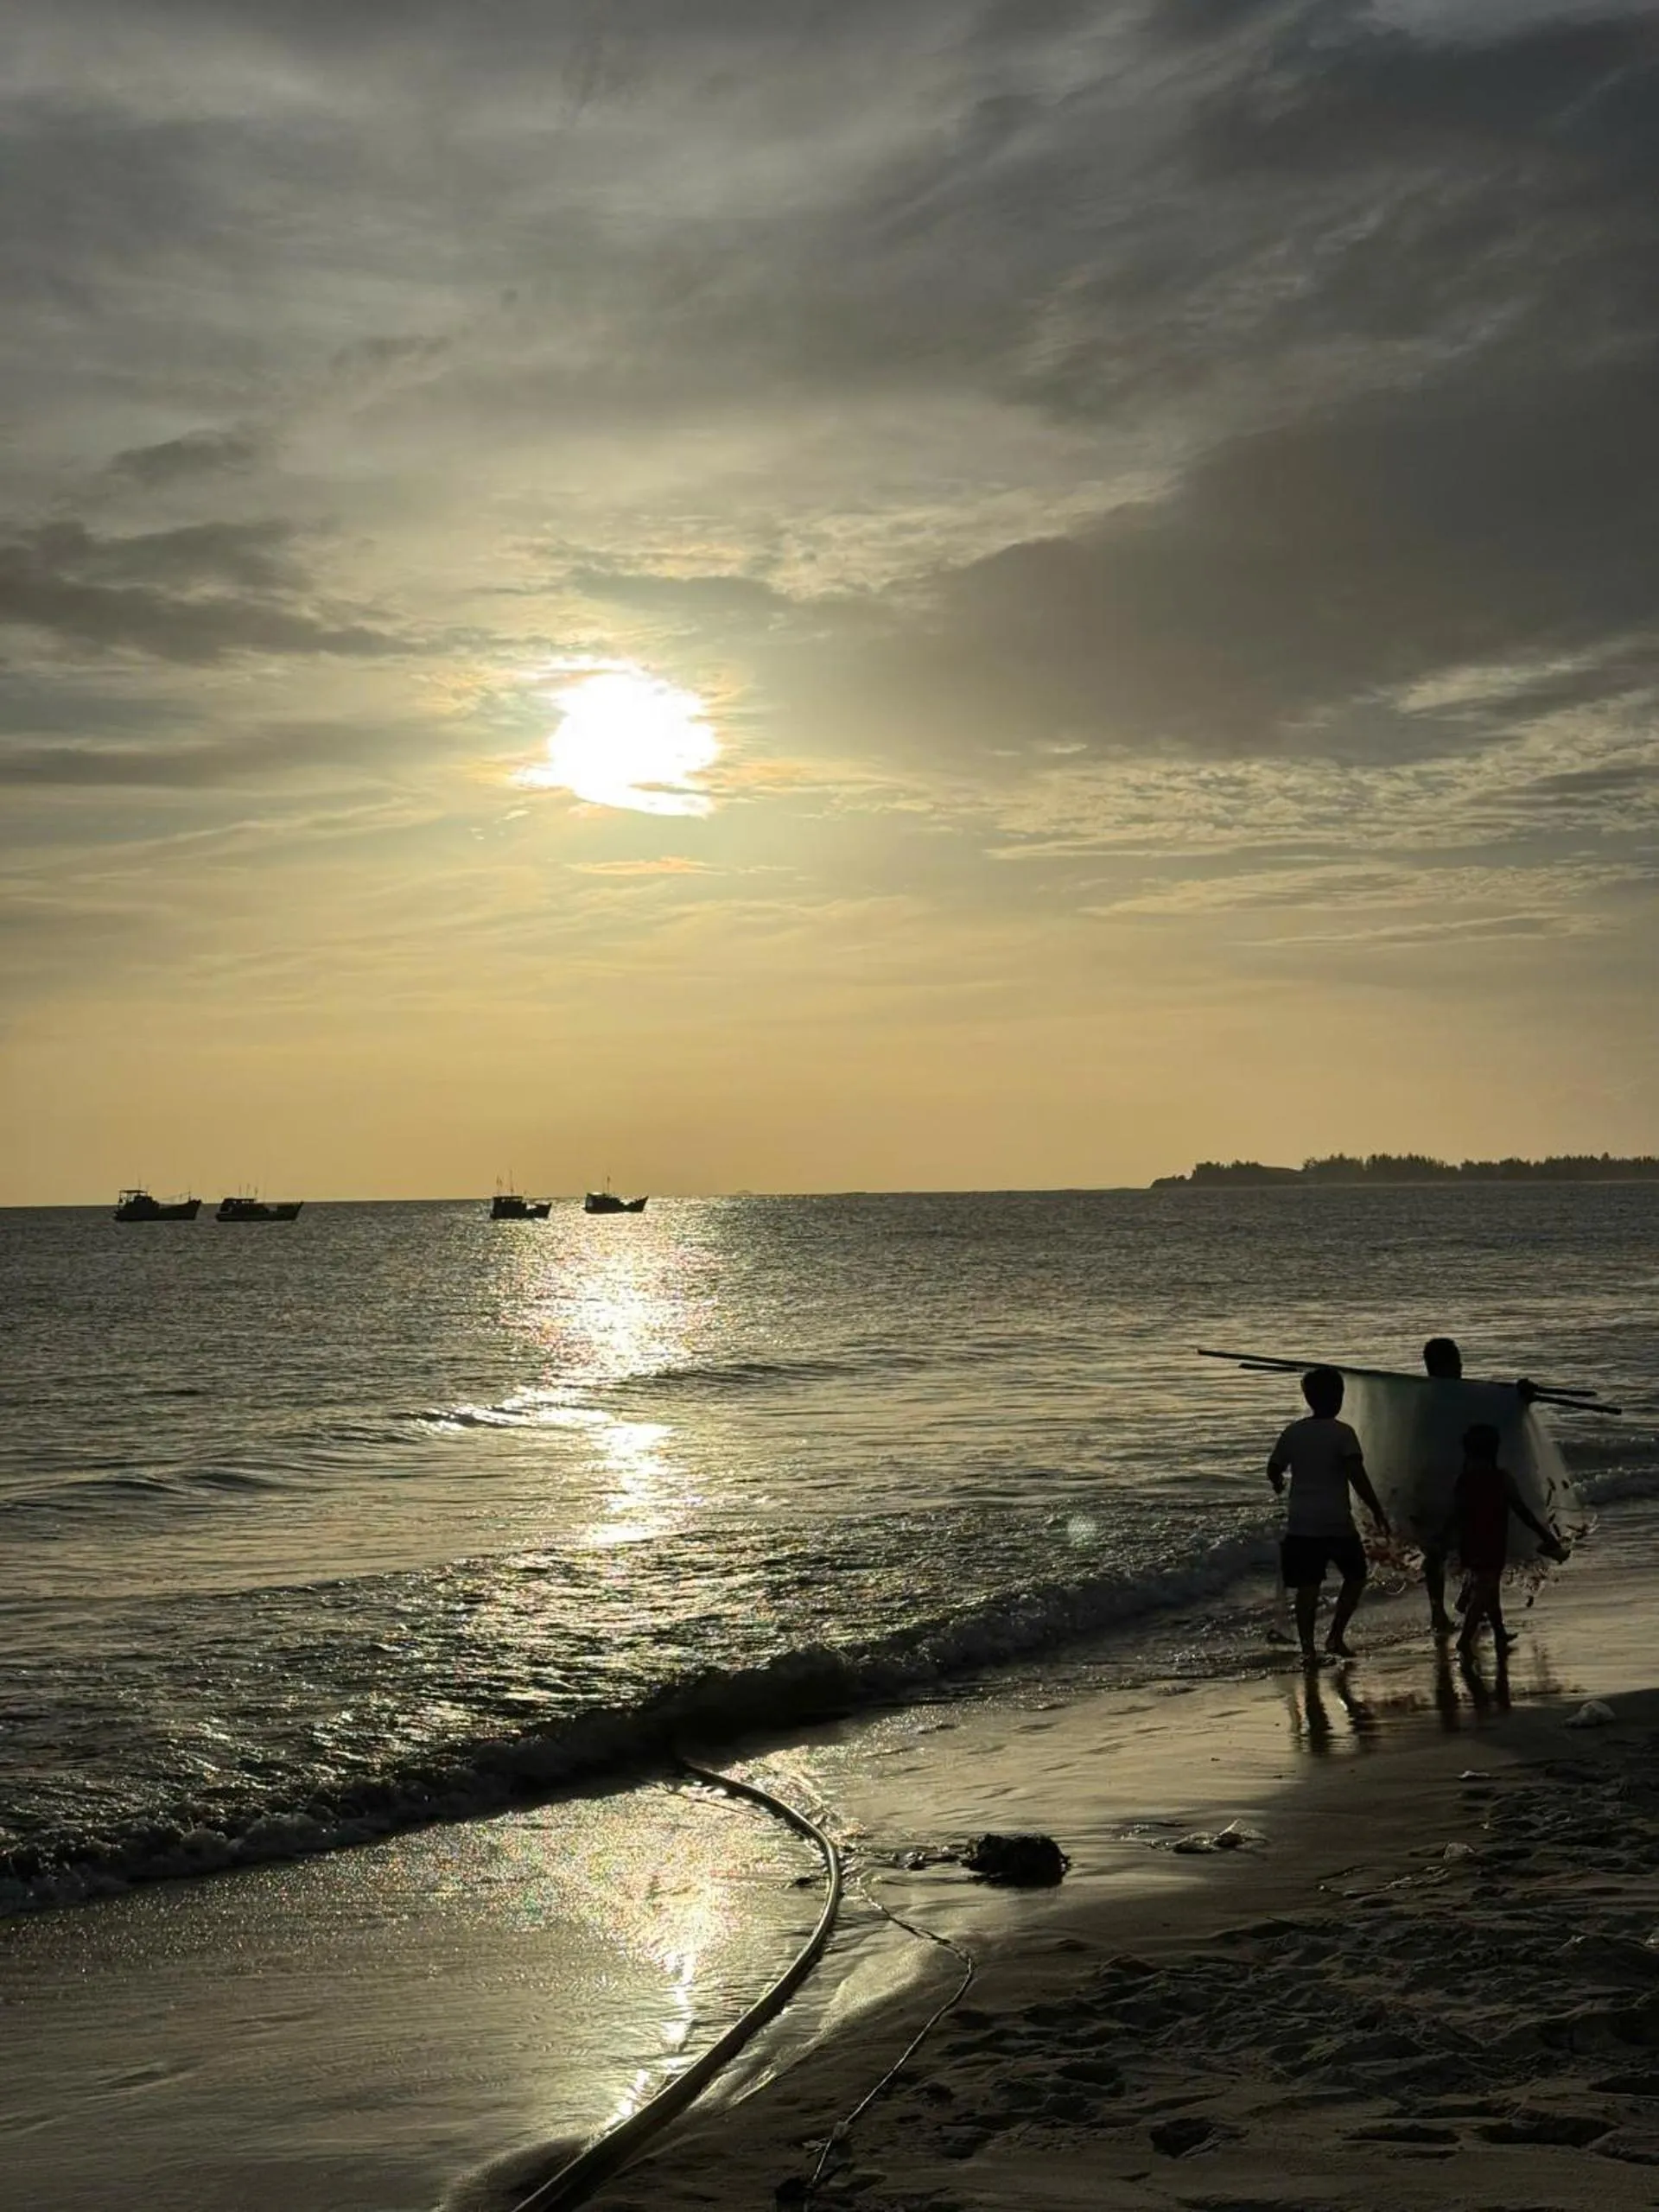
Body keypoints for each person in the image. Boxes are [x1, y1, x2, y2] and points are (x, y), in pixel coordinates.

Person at [1416, 1338, 1539, 1636]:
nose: (1459, 1368)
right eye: (1453, 1363)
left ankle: (1464, 1601)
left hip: (1460, 1478)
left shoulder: (1458, 1395)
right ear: (1436, 1367)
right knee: (1440, 1550)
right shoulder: (1423, 1397)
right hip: (1437, 1480)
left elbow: (1498, 1413)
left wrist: (1519, 1396)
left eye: (1458, 1362)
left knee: (1473, 1544)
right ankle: (1440, 1613)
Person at [1267, 1367, 1390, 1662]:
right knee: (1356, 1577)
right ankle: (1335, 1636)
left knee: (1307, 1590)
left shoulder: (1294, 1432)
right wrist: (1376, 1509)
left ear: (1308, 1398)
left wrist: (1277, 1482)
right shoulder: (1343, 1434)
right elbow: (1357, 1477)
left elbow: (1274, 1466)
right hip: (1336, 1523)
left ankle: (1309, 1651)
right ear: (1337, 1398)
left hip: (1302, 1524)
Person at [1445, 1421, 1567, 1661]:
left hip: (1471, 1540)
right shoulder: (1500, 1478)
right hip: (1492, 1540)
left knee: (1489, 1588)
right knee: (1486, 1588)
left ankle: (1499, 1633)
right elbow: (1522, 1512)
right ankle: (1464, 1639)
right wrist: (1547, 1536)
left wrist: (1444, 1538)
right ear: (1495, 1451)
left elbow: (1455, 1514)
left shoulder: (1464, 1479)